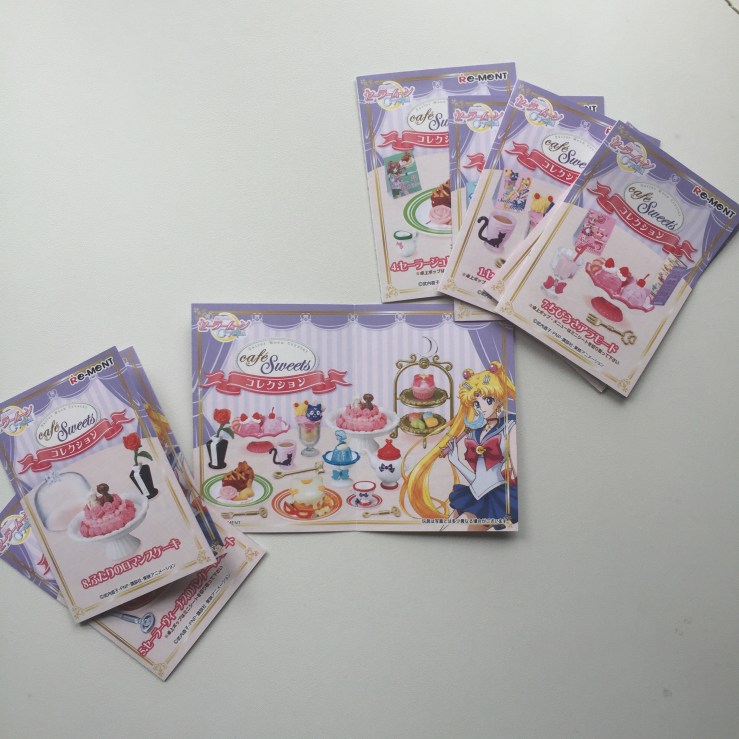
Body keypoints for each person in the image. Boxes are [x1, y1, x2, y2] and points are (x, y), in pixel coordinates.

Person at [401, 361, 517, 529]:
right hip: (474, 493)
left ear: (499, 401)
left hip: (494, 496)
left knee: (471, 531)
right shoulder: (474, 432)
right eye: (476, 403)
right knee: (445, 528)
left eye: (488, 400)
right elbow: (477, 477)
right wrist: (455, 460)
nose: (481, 407)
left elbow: (516, 468)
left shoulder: (509, 426)